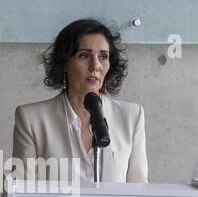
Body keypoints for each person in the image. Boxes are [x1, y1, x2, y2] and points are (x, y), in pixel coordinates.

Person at [12, 18, 148, 184]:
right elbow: (21, 194)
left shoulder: (132, 117)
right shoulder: (31, 119)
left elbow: (139, 192)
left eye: (103, 56)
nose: (95, 65)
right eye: (84, 56)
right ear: (65, 63)